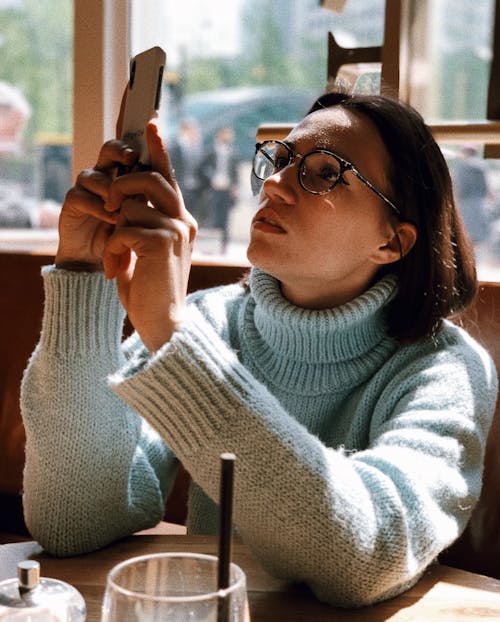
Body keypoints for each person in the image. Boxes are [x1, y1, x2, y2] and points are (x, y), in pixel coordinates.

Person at [21, 89, 498, 608]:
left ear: (392, 242)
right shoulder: (211, 320)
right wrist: (82, 274)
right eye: (280, 159)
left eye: (322, 172)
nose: (273, 182)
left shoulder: (445, 367)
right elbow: (74, 519)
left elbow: (367, 557)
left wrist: (174, 337)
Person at [201, 125, 239, 253]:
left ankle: (224, 247)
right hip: (213, 189)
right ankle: (211, 245)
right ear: (219, 135)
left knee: (225, 218)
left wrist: (235, 187)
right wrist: (213, 179)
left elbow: (235, 172)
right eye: (226, 134)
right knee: (213, 217)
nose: (228, 137)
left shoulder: (233, 151)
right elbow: (203, 168)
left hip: (227, 189)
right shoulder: (210, 150)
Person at [168, 117, 207, 225]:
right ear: (185, 131)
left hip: (194, 188)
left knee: (191, 216)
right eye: (193, 130)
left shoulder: (198, 148)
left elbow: (202, 168)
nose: (195, 133)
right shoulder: (175, 147)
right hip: (180, 187)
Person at [452, 144, 490, 245]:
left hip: (465, 203)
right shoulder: (482, 166)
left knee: (465, 234)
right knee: (477, 236)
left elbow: (458, 186)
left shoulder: (462, 166)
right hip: (479, 203)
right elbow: (486, 186)